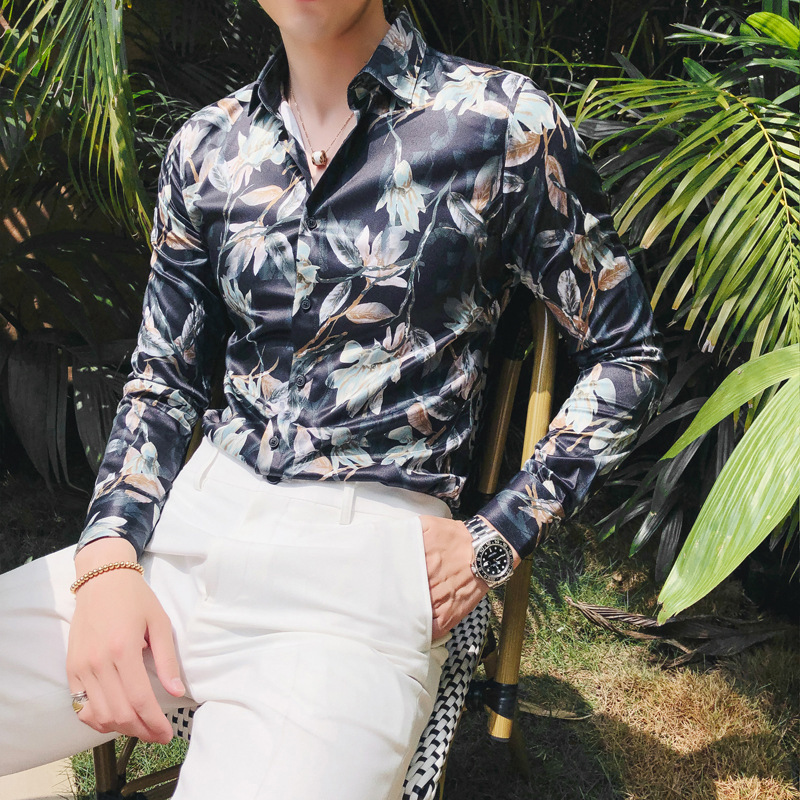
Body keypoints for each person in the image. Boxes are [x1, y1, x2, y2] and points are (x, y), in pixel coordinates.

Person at [0, 2, 666, 798]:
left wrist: (496, 539)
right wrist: (107, 558)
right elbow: (163, 379)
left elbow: (628, 356)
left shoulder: (499, 124)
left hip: (361, 580)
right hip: (186, 533)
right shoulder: (207, 147)